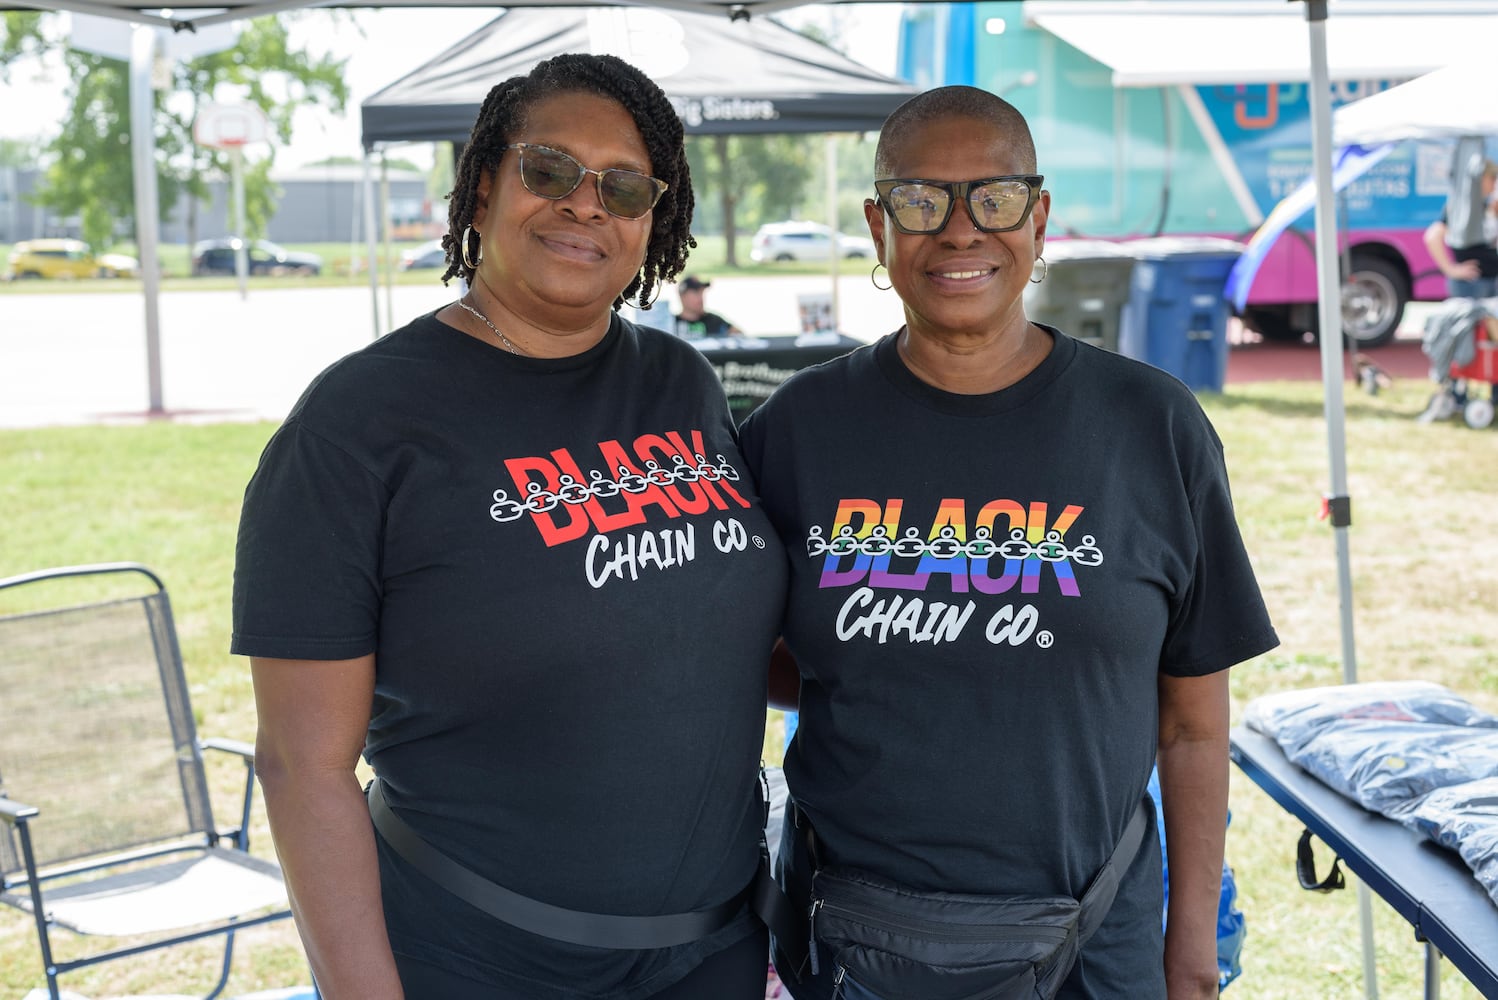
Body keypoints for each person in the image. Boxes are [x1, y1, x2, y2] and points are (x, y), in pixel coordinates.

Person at [233, 53, 788, 1000]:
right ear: (483, 183)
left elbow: (723, 640)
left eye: (623, 186)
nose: (585, 205)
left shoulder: (680, 382)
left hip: (716, 951)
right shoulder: (358, 425)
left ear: (654, 220)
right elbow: (302, 767)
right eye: (549, 170)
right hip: (481, 956)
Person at [739, 86, 1279, 1000]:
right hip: (862, 948)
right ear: (878, 224)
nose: (959, 231)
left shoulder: (1152, 426)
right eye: (921, 200)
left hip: (1093, 945)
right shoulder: (795, 431)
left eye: (993, 197)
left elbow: (1191, 722)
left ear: (1039, 216)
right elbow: (746, 655)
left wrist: (1188, 947)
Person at [1422, 155, 1497, 299]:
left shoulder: (1486, 205)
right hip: (1471, 285)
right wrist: (1451, 269)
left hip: (1487, 281)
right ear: (1480, 178)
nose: (1495, 184)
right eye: (1492, 178)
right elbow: (1432, 236)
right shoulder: (1463, 207)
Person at [672, 274, 742, 337]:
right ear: (682, 296)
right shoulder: (670, 323)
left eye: (702, 293)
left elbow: (739, 335)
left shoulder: (714, 320)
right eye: (696, 293)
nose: (700, 298)